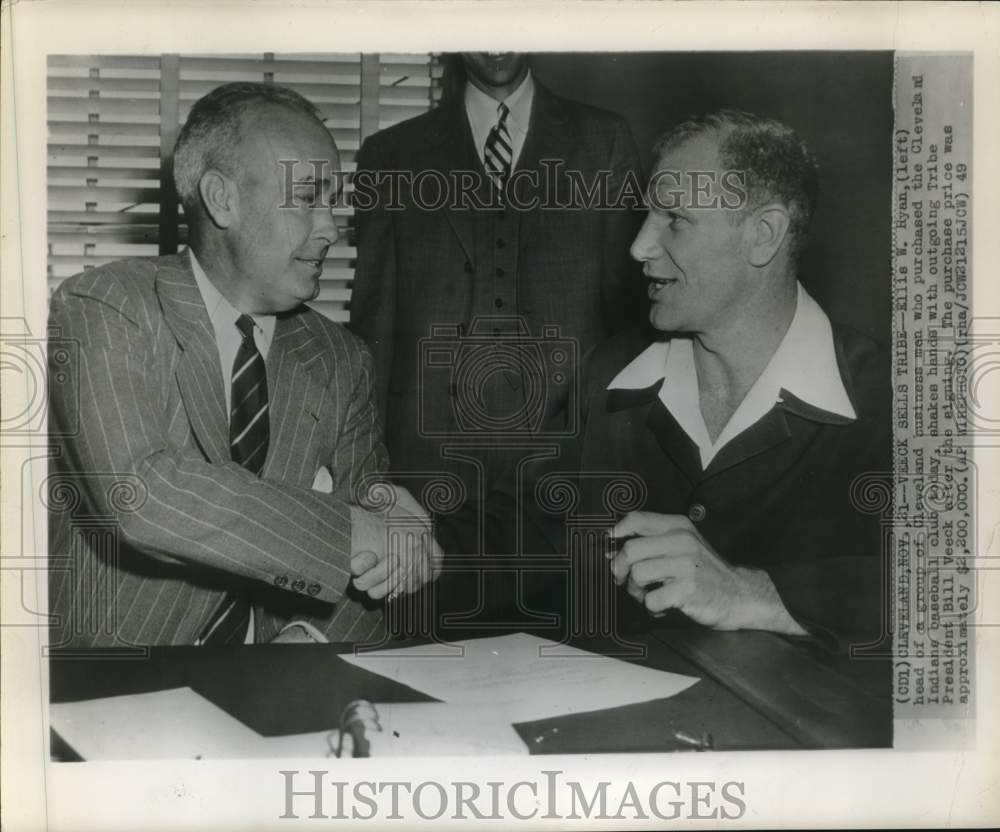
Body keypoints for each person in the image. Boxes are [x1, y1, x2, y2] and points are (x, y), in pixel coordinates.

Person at [453, 110, 891, 655]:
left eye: (674, 220)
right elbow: (523, 535)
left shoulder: (891, 403)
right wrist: (408, 541)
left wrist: (751, 594)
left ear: (763, 235)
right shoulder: (610, 375)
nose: (640, 247)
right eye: (647, 217)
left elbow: (960, 585)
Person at [48, 82, 438, 649]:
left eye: (332, 203)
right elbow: (141, 494)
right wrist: (354, 528)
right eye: (307, 198)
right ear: (222, 199)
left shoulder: (341, 357)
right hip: (116, 686)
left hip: (281, 689)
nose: (331, 227)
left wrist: (398, 549)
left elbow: (375, 526)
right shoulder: (105, 306)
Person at [349, 52, 643, 501]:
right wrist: (371, 473)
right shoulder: (390, 154)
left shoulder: (604, 141)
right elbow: (374, 328)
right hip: (426, 464)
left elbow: (629, 323)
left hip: (568, 455)